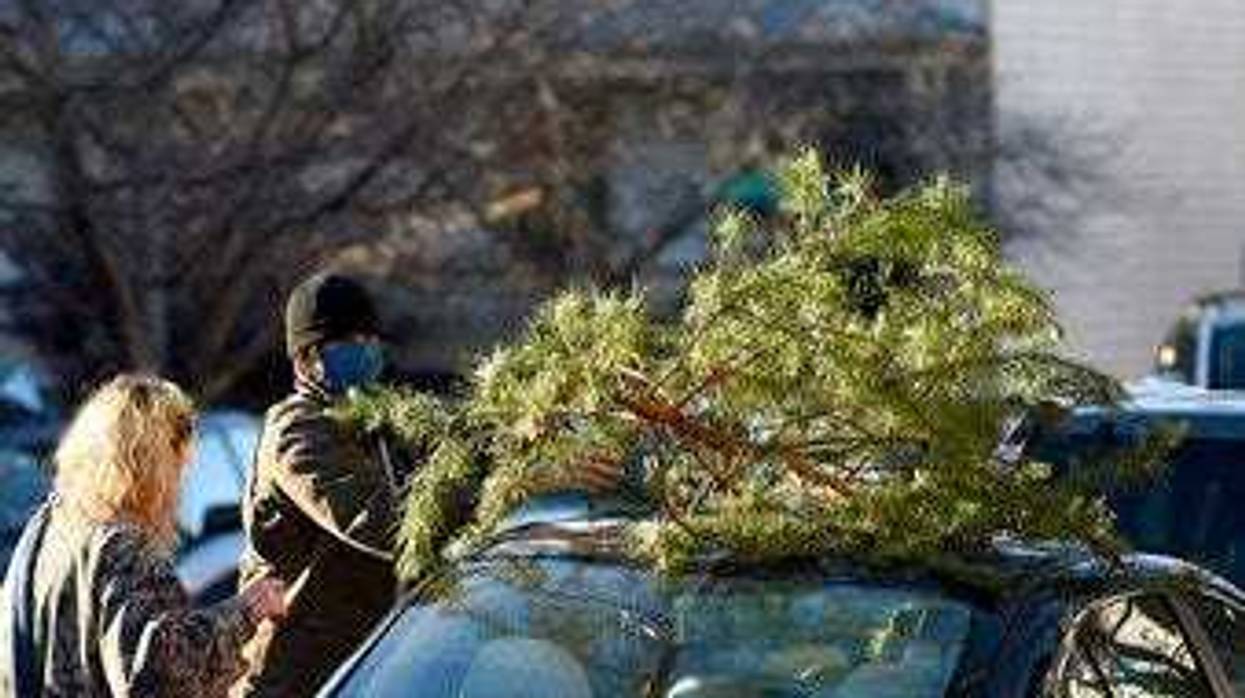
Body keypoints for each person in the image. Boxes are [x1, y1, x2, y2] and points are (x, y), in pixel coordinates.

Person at [235, 272, 623, 696]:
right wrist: (519, 482)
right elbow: (382, 522)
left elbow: (454, 461)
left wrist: (535, 443)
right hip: (297, 678)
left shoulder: (379, 422)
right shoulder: (297, 431)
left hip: (369, 667)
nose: (366, 352)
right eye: (348, 344)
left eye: (371, 340)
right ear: (305, 359)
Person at [0, 374, 287, 698]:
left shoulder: (49, 529)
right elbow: (160, 672)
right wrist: (246, 611)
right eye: (179, 464)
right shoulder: (121, 546)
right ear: (153, 461)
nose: (180, 482)